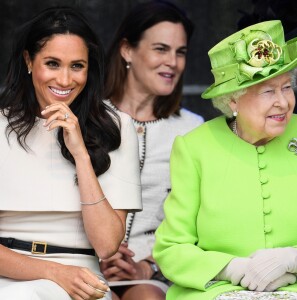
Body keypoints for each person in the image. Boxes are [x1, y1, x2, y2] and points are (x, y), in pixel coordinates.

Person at [0, 7, 142, 300]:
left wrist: (80, 154)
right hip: (9, 275)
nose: (65, 80)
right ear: (29, 61)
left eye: (77, 66)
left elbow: (106, 246)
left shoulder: (118, 127)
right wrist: (53, 272)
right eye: (52, 64)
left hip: (82, 278)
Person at [153, 20, 297, 300]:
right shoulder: (194, 148)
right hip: (216, 292)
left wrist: (294, 259)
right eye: (268, 92)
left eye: (286, 87)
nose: (282, 102)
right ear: (233, 101)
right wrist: (232, 268)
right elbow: (171, 248)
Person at [100, 1, 204, 299]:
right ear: (127, 50)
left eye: (180, 52)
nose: (173, 61)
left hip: (154, 269)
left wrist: (149, 266)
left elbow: (200, 220)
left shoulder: (193, 128)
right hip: (84, 261)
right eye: (161, 49)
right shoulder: (87, 118)